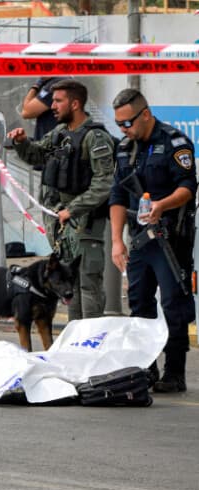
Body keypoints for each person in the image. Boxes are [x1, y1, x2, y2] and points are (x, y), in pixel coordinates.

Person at [110, 88, 197, 393]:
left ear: (145, 114)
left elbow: (188, 186)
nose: (123, 129)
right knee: (139, 303)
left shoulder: (174, 142)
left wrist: (163, 205)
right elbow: (118, 195)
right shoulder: (124, 148)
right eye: (118, 123)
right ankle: (146, 369)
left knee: (174, 302)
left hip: (170, 237)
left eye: (127, 122)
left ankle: (174, 371)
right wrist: (116, 242)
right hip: (138, 239)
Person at [7, 79, 113, 321]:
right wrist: (22, 142)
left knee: (88, 284)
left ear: (75, 104)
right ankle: (76, 341)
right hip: (63, 225)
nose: (52, 106)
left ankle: (92, 343)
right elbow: (36, 153)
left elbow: (104, 183)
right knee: (70, 286)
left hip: (85, 224)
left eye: (58, 101)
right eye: (52, 100)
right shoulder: (59, 133)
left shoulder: (95, 138)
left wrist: (73, 209)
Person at [21, 76, 66, 143]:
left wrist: (36, 86)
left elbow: (26, 112)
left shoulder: (56, 83)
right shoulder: (59, 80)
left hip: (52, 145)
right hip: (51, 142)